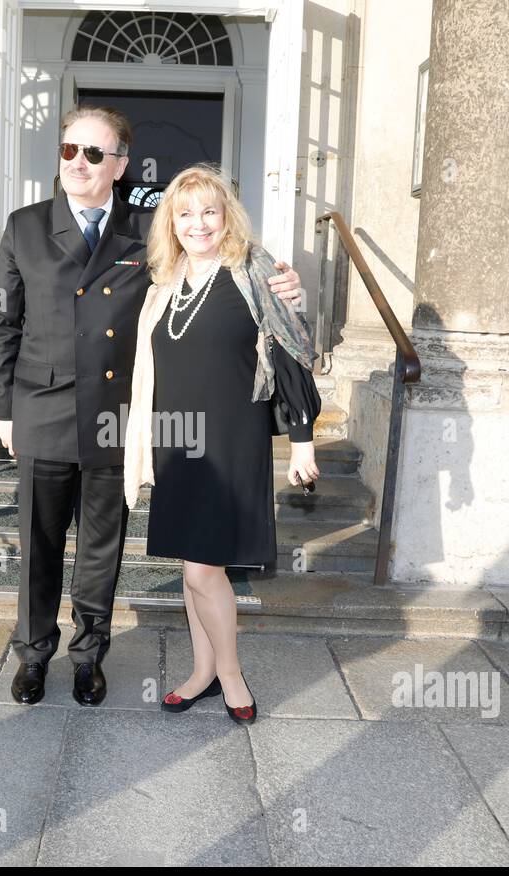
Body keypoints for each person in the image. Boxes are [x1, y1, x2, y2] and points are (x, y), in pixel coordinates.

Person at [0, 107, 303, 707]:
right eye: (69, 150)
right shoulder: (25, 226)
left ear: (120, 165)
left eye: (94, 154)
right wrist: (3, 407)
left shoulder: (146, 232)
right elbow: (1, 319)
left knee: (103, 546)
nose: (78, 163)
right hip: (43, 408)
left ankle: (88, 656)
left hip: (116, 413)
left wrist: (285, 285)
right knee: (39, 544)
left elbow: (215, 267)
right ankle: (32, 654)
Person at [123, 164, 321, 724]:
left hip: (232, 437)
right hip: (177, 440)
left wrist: (303, 443)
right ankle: (202, 672)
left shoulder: (253, 268)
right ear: (171, 222)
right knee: (194, 564)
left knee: (202, 571)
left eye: (209, 211)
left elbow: (291, 352)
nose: (198, 223)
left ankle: (230, 674)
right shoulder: (163, 278)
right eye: (185, 213)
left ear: (226, 215)